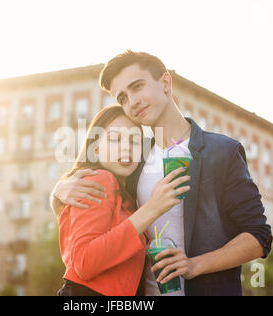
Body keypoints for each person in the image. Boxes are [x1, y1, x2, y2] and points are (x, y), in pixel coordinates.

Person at [51, 50, 273, 296]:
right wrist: (58, 191)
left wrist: (194, 265)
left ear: (166, 83)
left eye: (137, 87)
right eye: (122, 98)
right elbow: (102, 222)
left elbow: (258, 236)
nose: (132, 101)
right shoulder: (134, 160)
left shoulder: (221, 151)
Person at [56, 104, 190, 296]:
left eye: (135, 141)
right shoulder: (100, 179)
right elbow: (83, 262)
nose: (126, 147)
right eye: (114, 139)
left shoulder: (126, 194)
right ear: (94, 151)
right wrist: (152, 209)